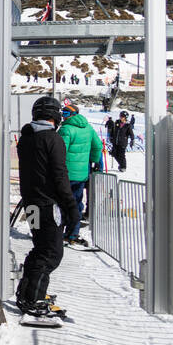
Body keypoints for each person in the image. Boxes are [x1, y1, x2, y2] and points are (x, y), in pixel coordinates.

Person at [15, 96, 77, 318]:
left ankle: (27, 291)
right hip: (47, 203)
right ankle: (33, 297)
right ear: (55, 116)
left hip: (31, 202)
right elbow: (60, 175)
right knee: (51, 252)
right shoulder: (52, 139)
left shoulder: (27, 138)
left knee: (40, 247)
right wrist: (71, 206)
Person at [58, 101, 103, 247]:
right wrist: (93, 161)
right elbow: (98, 146)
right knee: (76, 203)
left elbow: (59, 151)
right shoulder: (88, 128)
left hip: (66, 174)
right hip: (82, 174)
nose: (63, 117)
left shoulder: (66, 130)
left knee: (63, 204)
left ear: (72, 115)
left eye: (65, 114)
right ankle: (73, 232)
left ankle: (63, 231)